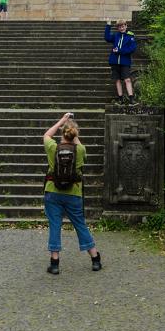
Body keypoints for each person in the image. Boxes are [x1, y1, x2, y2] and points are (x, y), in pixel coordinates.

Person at [42, 113, 101, 275]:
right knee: (80, 224)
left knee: (55, 225)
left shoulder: (53, 148)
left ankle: (54, 263)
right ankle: (95, 259)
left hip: (52, 191)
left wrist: (62, 120)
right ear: (75, 134)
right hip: (73, 193)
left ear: (63, 134)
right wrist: (74, 134)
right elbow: (79, 148)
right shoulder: (81, 150)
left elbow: (47, 134)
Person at [104, 18, 137, 104]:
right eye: (119, 27)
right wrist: (108, 25)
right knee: (117, 80)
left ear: (126, 26)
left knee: (127, 80)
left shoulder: (130, 36)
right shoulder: (116, 36)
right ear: (118, 28)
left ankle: (131, 99)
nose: (121, 28)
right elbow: (107, 38)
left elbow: (132, 48)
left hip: (125, 62)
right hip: (115, 62)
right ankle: (120, 99)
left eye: (123, 26)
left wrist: (120, 51)